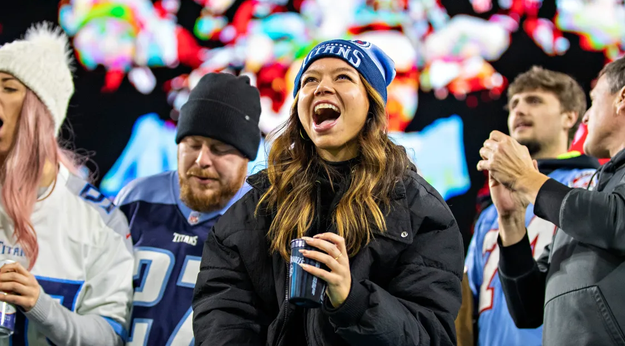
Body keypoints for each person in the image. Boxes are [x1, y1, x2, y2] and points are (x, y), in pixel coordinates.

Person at [192, 39, 464, 346]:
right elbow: (223, 312)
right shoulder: (256, 206)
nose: (322, 87)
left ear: (371, 105)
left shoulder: (422, 212)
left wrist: (352, 301)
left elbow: (431, 335)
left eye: (343, 77)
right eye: (310, 80)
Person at [0, 23, 134, 345]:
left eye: (9, 88)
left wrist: (40, 306)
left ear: (44, 112)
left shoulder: (100, 220)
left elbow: (110, 337)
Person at [477, 57, 625, 346]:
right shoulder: (594, 191)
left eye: (594, 101)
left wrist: (526, 179)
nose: (585, 117)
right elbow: (528, 309)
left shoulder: (588, 197)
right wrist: (511, 219)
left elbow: (618, 222)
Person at [114, 72, 262, 345]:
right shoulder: (135, 199)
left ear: (246, 157)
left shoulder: (263, 218)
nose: (202, 160)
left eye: (219, 149)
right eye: (192, 144)